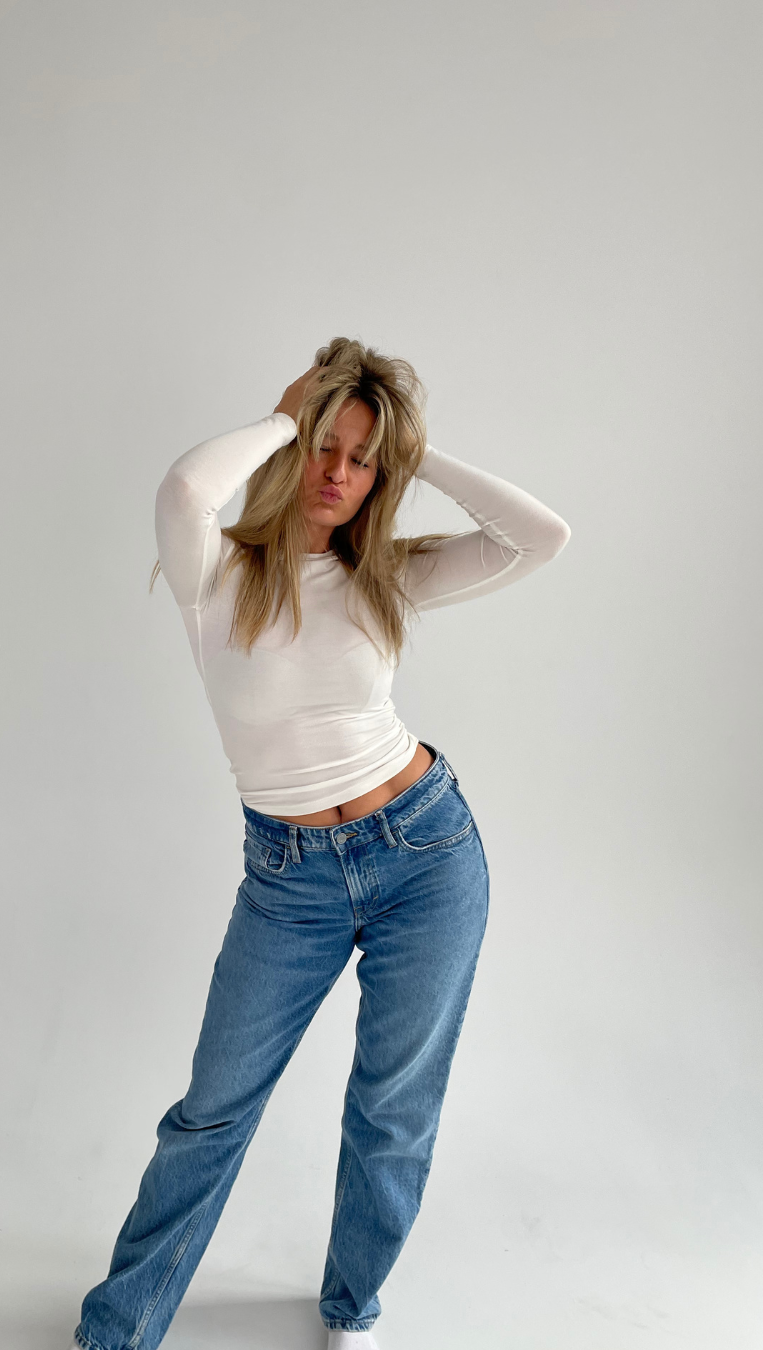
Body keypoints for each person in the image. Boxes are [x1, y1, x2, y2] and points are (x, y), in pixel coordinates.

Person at [68, 337, 571, 1350]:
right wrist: (284, 418)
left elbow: (540, 536)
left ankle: (352, 1308)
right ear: (292, 445)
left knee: (393, 1109)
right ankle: (118, 1330)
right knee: (212, 1111)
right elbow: (184, 488)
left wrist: (412, 451)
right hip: (288, 882)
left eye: (362, 459)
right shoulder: (215, 573)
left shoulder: (385, 576)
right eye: (323, 448)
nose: (338, 473)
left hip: (426, 853)